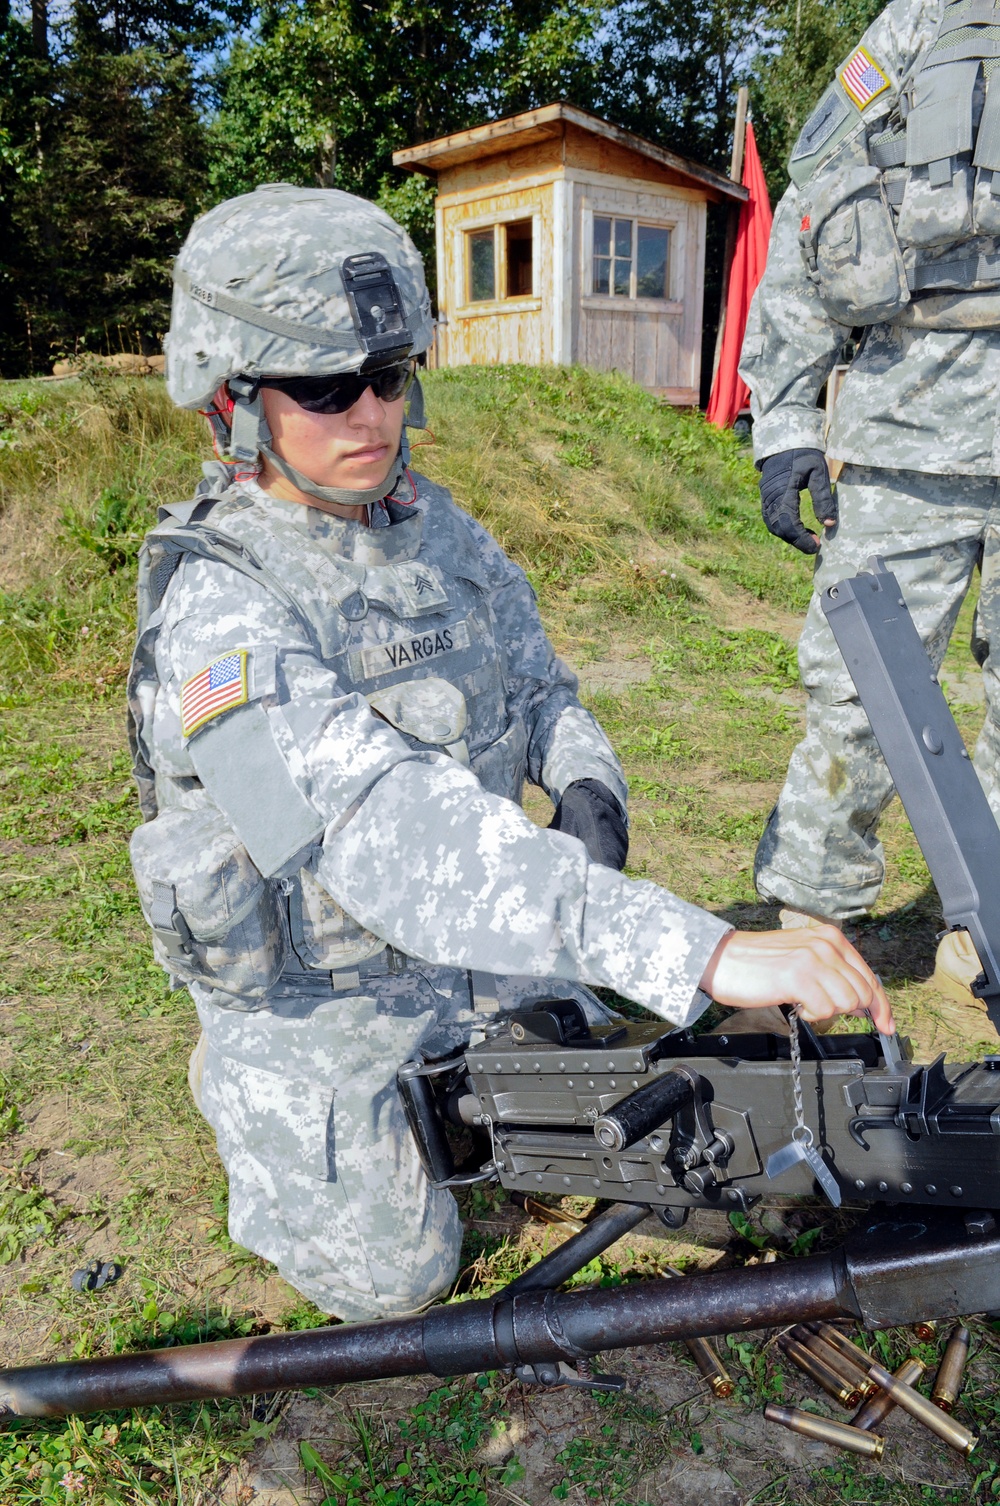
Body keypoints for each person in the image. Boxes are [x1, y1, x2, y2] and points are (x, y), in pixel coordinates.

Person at [127, 183, 892, 1323]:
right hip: (325, 999)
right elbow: (375, 827)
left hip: (477, 958)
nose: (371, 415)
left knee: (684, 1147)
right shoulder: (217, 615)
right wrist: (697, 946)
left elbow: (543, 690)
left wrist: (585, 780)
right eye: (326, 388)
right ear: (228, 400)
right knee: (397, 1279)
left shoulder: (438, 533)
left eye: (387, 377)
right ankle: (248, 1091)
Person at [740, 0, 1000, 1023]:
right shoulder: (916, 27)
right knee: (861, 686)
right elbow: (818, 204)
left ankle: (983, 931)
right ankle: (808, 923)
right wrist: (787, 422)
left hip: (916, 433)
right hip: (908, 433)